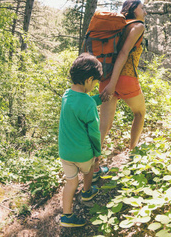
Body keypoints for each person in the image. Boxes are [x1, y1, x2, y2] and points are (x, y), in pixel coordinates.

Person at [94, 0, 147, 179]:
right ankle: (132, 154)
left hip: (106, 76)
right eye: (142, 8)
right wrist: (114, 84)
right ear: (133, 10)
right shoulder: (137, 26)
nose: (144, 12)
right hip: (124, 78)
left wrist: (109, 83)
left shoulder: (117, 26)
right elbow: (124, 53)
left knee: (103, 126)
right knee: (140, 112)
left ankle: (94, 167)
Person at [58, 53, 103, 227]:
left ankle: (67, 216)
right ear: (89, 79)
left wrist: (97, 99)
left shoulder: (66, 95)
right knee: (89, 168)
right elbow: (94, 133)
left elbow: (80, 105)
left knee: (71, 182)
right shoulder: (88, 104)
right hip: (83, 154)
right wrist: (97, 154)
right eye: (95, 83)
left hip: (65, 153)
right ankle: (87, 192)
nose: (95, 85)